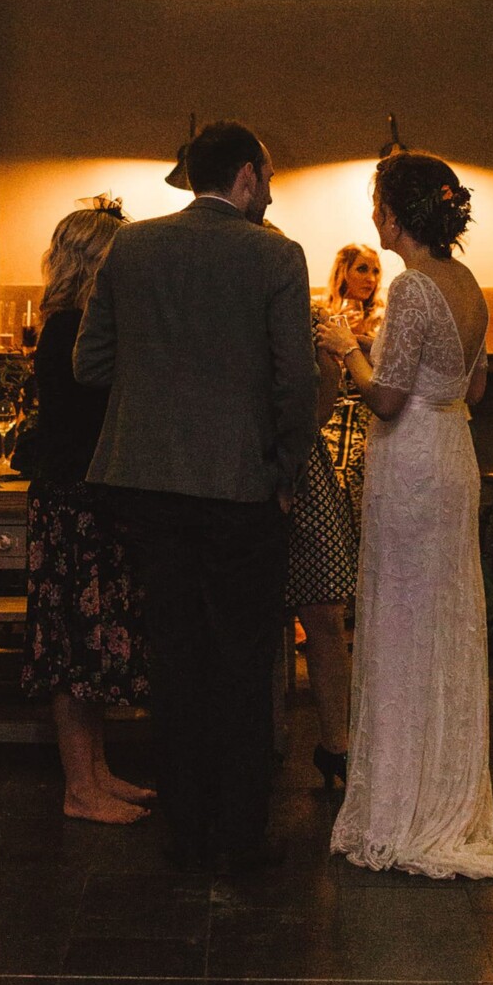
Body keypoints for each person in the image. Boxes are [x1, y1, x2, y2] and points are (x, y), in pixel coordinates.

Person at [73, 121, 317, 873]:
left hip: (149, 485)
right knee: (243, 661)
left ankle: (185, 828)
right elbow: (295, 382)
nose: (269, 192)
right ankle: (238, 832)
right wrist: (284, 474)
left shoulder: (132, 246)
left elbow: (90, 363)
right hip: (242, 485)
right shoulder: (276, 254)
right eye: (268, 177)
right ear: (245, 175)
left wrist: (157, 387)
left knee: (174, 658)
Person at [318, 152, 493, 882]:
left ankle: (400, 806)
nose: (374, 216)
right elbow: (474, 387)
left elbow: (387, 398)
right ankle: (440, 792)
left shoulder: (414, 285)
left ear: (397, 215)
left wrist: (346, 348)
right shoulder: (467, 282)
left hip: (412, 458)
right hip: (453, 447)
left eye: (378, 204)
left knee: (400, 618)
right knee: (443, 617)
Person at [20, 202, 154, 825]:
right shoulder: (70, 327)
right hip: (74, 502)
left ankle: (97, 771)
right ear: (93, 262)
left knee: (93, 642)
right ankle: (80, 787)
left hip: (84, 498)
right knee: (74, 646)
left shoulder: (76, 323)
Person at [287, 304, 358, 792]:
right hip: (248, 463)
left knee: (326, 611)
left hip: (301, 468)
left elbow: (321, 410)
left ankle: (338, 745)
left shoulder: (308, 319)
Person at [320, 244, 384, 536]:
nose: (371, 278)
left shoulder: (383, 319)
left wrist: (360, 342)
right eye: (362, 269)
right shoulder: (322, 314)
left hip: (367, 416)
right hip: (330, 414)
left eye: (375, 271)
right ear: (343, 272)